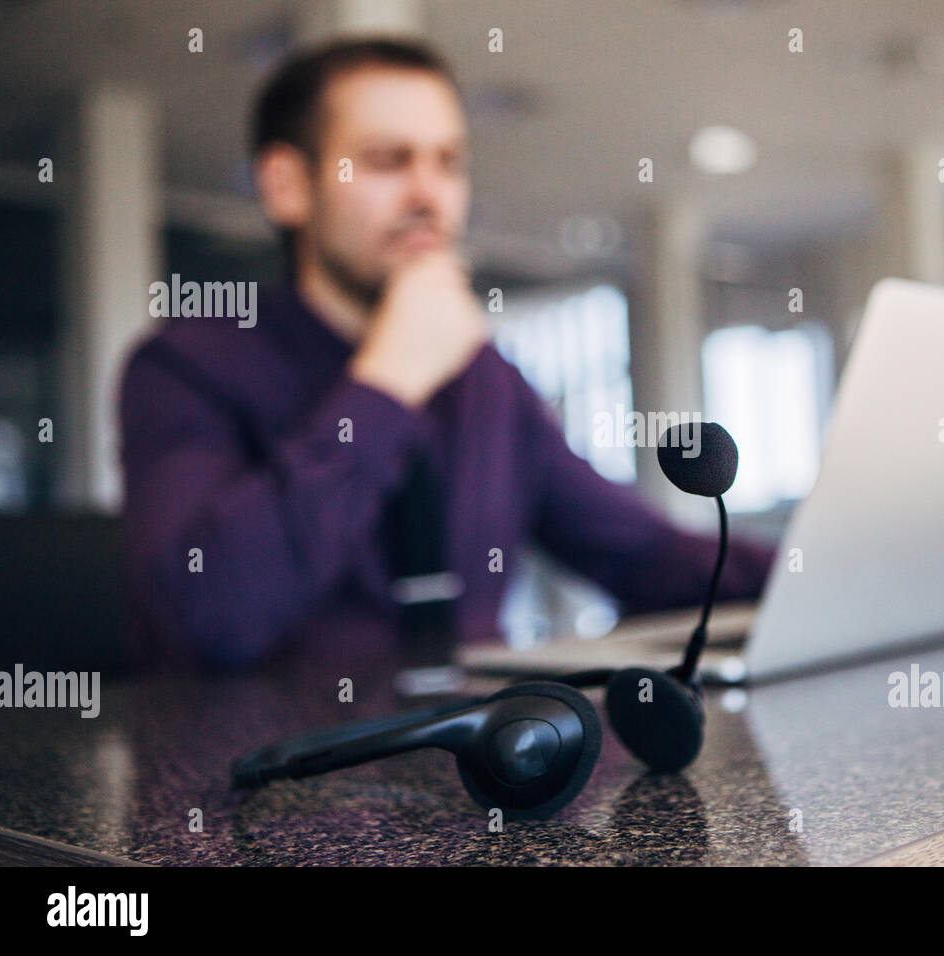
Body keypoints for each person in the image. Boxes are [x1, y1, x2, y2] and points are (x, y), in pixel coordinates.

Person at [118, 37, 775, 670]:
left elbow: (640, 556)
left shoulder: (487, 380)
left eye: (448, 162)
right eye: (387, 161)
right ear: (287, 185)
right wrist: (387, 383)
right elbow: (204, 617)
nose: (430, 197)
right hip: (271, 771)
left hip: (480, 761)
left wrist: (836, 571)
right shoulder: (185, 367)